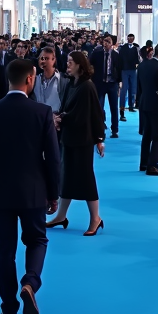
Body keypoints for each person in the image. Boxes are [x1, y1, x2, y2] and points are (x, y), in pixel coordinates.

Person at [0, 59, 61, 314]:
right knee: (37, 240)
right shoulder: (42, 112)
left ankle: (9, 312)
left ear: (7, 79)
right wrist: (53, 193)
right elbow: (53, 159)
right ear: (30, 80)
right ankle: (30, 282)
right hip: (34, 190)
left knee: (4, 251)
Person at [47, 51, 107, 235]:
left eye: (71, 62)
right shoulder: (72, 83)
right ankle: (61, 216)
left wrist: (99, 138)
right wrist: (59, 118)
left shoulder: (87, 87)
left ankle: (95, 218)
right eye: (68, 61)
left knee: (86, 179)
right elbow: (66, 109)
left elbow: (92, 114)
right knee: (67, 177)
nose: (68, 65)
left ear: (81, 65)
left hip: (82, 140)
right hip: (69, 138)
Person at [137, 43, 158, 177]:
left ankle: (144, 163)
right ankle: (153, 165)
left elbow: (139, 85)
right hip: (157, 106)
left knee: (147, 135)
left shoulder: (144, 64)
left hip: (144, 103)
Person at [33, 47, 71, 143]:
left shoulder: (63, 80)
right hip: (38, 122)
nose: (43, 61)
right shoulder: (34, 79)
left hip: (57, 122)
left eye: (46, 58)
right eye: (41, 58)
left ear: (54, 60)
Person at [91, 35, 122, 139]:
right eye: (104, 42)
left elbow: (119, 68)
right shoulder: (96, 54)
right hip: (100, 83)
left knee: (114, 108)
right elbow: (90, 65)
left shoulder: (116, 55)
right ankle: (100, 129)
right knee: (99, 107)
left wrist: (119, 82)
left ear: (112, 44)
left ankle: (115, 130)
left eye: (108, 42)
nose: (106, 44)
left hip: (112, 84)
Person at [118, 33, 141, 120]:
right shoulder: (123, 48)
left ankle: (131, 106)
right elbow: (120, 59)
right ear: (127, 38)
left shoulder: (136, 48)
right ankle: (122, 109)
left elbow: (138, 59)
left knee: (133, 89)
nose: (130, 39)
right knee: (124, 90)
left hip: (132, 70)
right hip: (124, 70)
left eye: (132, 38)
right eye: (129, 38)